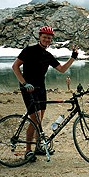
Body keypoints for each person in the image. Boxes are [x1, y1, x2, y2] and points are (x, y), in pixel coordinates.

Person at [12, 26, 78, 162]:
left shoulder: (47, 56)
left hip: (41, 89)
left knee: (39, 120)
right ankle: (28, 151)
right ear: (39, 37)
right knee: (34, 120)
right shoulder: (29, 50)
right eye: (45, 37)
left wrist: (73, 57)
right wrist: (24, 83)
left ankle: (38, 147)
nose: (47, 39)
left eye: (49, 38)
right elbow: (15, 67)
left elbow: (62, 69)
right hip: (28, 89)